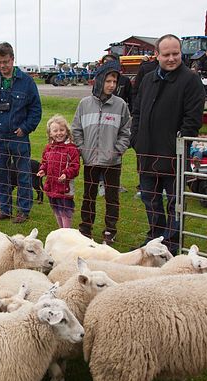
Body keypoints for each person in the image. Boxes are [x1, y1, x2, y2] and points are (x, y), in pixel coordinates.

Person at [131, 34, 204, 254]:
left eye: (176, 53)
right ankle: (155, 237)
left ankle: (171, 243)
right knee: (150, 199)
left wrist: (179, 146)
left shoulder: (190, 80)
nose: (171, 58)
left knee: (175, 203)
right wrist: (136, 138)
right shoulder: (148, 79)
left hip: (173, 156)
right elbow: (137, 111)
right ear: (157, 54)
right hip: (146, 153)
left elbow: (193, 120)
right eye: (166, 54)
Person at [71, 60, 131, 244]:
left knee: (112, 198)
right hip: (90, 161)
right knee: (88, 196)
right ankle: (85, 228)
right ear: (99, 80)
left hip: (112, 162)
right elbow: (76, 129)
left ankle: (110, 230)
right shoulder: (84, 104)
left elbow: (126, 131)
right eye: (108, 81)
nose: (112, 85)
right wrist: (83, 149)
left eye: (115, 82)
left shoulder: (120, 105)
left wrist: (117, 151)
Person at [0, 41, 42, 224]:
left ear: (12, 59)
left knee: (23, 174)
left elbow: (36, 110)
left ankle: (23, 210)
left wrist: (25, 128)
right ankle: (4, 209)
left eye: (6, 62)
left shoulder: (27, 82)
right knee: (2, 174)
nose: (2, 66)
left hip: (18, 137)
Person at [37, 115, 80, 228]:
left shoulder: (71, 149)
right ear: (50, 133)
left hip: (65, 187)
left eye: (62, 130)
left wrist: (66, 174)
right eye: (55, 130)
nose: (59, 133)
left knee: (65, 211)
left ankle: (66, 232)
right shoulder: (48, 148)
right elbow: (45, 162)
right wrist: (42, 170)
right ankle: (61, 231)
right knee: (56, 209)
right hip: (51, 185)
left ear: (67, 131)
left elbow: (75, 167)